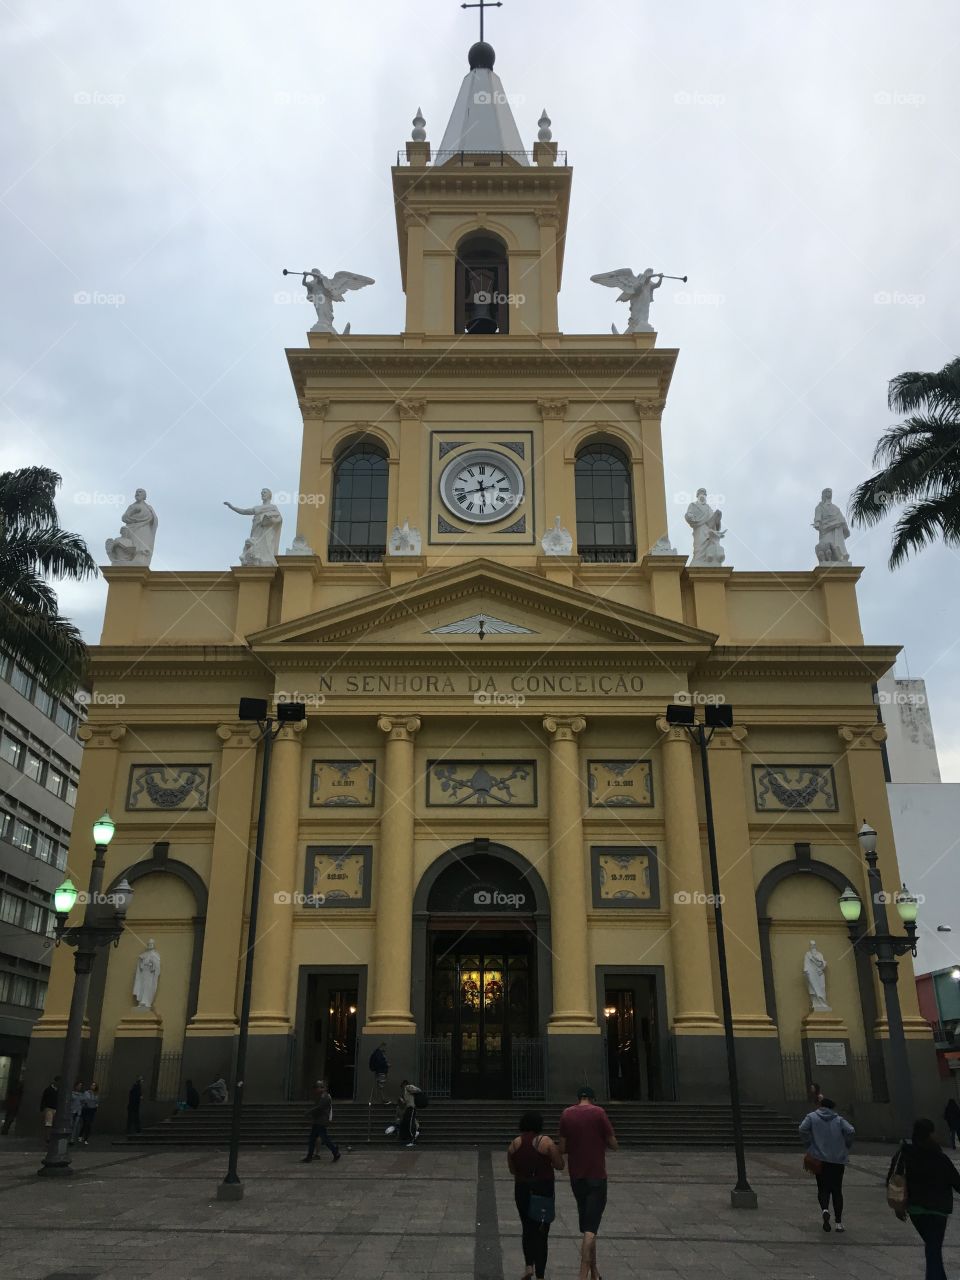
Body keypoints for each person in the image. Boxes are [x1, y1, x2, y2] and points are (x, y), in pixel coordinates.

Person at [557, 1085, 618, 1280]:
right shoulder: (599, 1113)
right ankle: (583, 1274)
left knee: (587, 1225)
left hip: (577, 1176)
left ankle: (595, 1272)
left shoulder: (566, 1114)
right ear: (592, 1098)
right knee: (591, 1228)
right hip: (596, 1176)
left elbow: (563, 1148)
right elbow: (613, 1143)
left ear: (579, 1098)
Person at [889, 1117, 960, 1280]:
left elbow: (893, 1180)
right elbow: (957, 1182)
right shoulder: (940, 1158)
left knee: (932, 1248)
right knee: (933, 1249)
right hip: (939, 1210)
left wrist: (898, 1206)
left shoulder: (905, 1154)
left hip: (916, 1210)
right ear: (931, 1134)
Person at [507, 1110, 564, 1280]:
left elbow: (512, 1170)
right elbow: (560, 1164)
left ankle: (528, 1266)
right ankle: (540, 1275)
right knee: (541, 1232)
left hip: (522, 1189)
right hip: (542, 1189)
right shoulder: (545, 1141)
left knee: (527, 1228)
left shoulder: (514, 1144)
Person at [799, 1097, 855, 1232]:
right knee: (837, 1190)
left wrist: (809, 1144)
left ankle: (825, 1209)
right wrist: (846, 1145)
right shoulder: (839, 1120)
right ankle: (839, 1223)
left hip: (819, 1159)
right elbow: (851, 1130)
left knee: (822, 1187)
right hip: (837, 1159)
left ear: (820, 1106)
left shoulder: (812, 1117)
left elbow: (802, 1129)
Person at [302, 1079, 340, 1164]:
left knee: (325, 1138)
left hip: (321, 1121)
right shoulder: (320, 1096)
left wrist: (309, 1112)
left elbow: (320, 1108)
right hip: (317, 1121)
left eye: (317, 1087)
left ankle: (335, 1152)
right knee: (312, 1139)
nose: (315, 1089)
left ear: (322, 1088)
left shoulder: (325, 1097)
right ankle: (309, 1156)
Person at [398, 1079, 422, 1147]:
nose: (402, 1088)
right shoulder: (405, 1093)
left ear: (404, 1085)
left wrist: (411, 1089)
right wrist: (402, 1101)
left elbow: (418, 1090)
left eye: (402, 1086)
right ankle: (405, 1138)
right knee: (405, 1123)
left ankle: (413, 1140)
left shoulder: (408, 1087)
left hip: (411, 1108)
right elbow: (407, 1102)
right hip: (408, 1108)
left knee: (411, 1124)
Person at [40, 1076, 59, 1144]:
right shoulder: (48, 1089)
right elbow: (44, 1099)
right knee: (49, 1123)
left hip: (55, 1108)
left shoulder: (58, 1090)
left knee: (52, 1124)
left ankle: (50, 1137)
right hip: (49, 1108)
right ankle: (48, 1137)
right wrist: (42, 1108)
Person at [69, 1080, 85, 1145]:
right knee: (70, 1125)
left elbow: (84, 1102)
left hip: (78, 1111)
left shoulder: (82, 1094)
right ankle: (69, 1138)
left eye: (80, 1086)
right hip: (72, 1110)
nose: (79, 1087)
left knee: (75, 1126)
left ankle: (72, 1139)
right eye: (78, 1085)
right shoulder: (71, 1093)